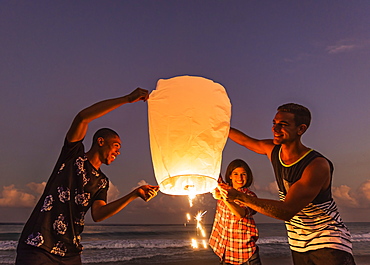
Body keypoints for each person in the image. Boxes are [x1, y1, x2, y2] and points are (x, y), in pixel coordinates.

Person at [16, 88, 159, 265]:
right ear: (100, 141)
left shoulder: (102, 182)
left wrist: (135, 194)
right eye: (115, 145)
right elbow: (83, 117)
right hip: (38, 245)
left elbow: (98, 214)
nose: (118, 152)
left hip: (70, 252)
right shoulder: (73, 154)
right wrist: (127, 99)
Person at [218, 103, 355, 265]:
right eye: (274, 123)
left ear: (301, 129)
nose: (275, 129)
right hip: (298, 243)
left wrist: (240, 196)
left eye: (283, 125)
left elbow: (287, 210)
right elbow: (245, 141)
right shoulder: (273, 150)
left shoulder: (316, 165)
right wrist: (217, 125)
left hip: (328, 240)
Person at [209, 159, 261, 265]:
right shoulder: (223, 188)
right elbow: (211, 170)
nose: (240, 178)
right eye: (236, 174)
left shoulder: (250, 196)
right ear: (230, 176)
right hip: (225, 253)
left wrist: (224, 198)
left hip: (246, 255)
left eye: (243, 174)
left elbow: (241, 213)